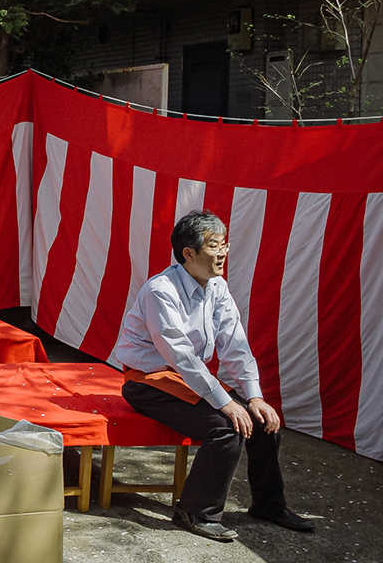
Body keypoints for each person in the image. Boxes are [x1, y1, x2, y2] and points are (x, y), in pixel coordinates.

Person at [114, 210, 314, 541]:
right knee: (226, 429)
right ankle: (195, 511)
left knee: (262, 421)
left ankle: (269, 504)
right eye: (213, 245)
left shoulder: (218, 287)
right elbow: (180, 356)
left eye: (224, 244)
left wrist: (254, 396)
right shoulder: (160, 290)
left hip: (185, 376)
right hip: (146, 380)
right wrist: (225, 403)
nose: (222, 252)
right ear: (188, 253)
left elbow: (235, 344)